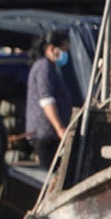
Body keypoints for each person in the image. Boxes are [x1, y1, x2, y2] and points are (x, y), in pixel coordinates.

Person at [25, 30, 72, 169]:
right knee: (50, 174)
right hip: (45, 135)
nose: (65, 54)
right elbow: (46, 101)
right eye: (64, 50)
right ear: (52, 48)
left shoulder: (48, 66)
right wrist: (60, 129)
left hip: (47, 134)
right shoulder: (44, 67)